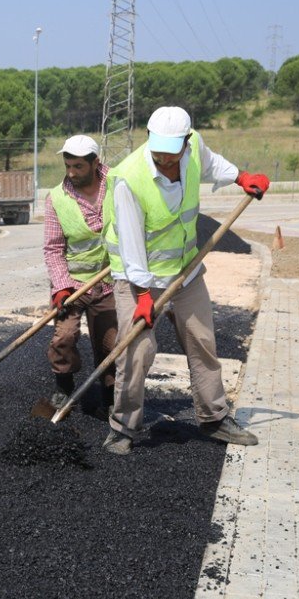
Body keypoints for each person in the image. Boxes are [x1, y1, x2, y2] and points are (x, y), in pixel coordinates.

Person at [101, 106, 270, 455]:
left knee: (203, 341)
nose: (164, 159)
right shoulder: (128, 178)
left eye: (171, 152)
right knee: (137, 351)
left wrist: (241, 177)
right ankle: (123, 427)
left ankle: (214, 418)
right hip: (140, 278)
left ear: (186, 141)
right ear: (148, 138)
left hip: (186, 270)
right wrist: (143, 295)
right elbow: (132, 246)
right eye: (157, 150)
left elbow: (212, 164)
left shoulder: (193, 151)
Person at [43, 135, 118, 417]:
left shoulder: (117, 184)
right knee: (63, 337)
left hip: (109, 283)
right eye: (67, 166)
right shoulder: (57, 198)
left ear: (95, 163)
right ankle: (64, 387)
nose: (71, 172)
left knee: (111, 343)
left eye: (78, 166)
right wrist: (61, 287)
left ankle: (110, 396)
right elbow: (52, 249)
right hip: (73, 284)